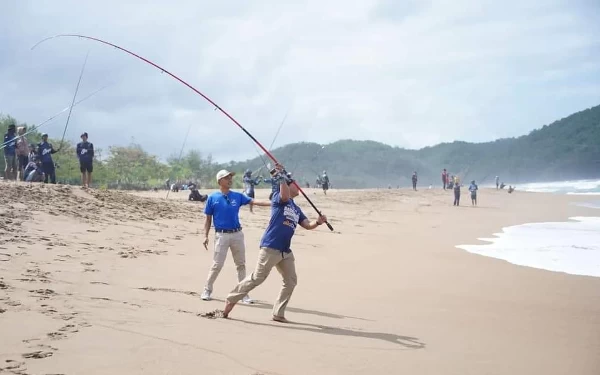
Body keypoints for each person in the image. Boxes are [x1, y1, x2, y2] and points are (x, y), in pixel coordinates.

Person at [222, 164, 328, 322]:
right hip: (271, 246)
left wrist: (318, 222)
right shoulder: (279, 198)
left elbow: (307, 225)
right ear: (288, 185)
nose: (298, 186)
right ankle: (231, 298)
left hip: (285, 250)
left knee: (291, 281)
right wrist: (282, 176)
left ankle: (278, 313)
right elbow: (284, 195)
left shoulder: (296, 208)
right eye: (295, 183)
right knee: (258, 278)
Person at [201, 169, 271, 303]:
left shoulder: (238, 196)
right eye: (227, 178)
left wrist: (275, 202)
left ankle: (243, 294)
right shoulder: (212, 198)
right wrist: (205, 235)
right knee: (217, 265)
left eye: (230, 177)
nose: (230, 180)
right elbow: (208, 219)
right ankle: (207, 290)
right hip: (221, 235)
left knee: (241, 265)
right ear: (220, 181)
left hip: (237, 234)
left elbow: (254, 202)